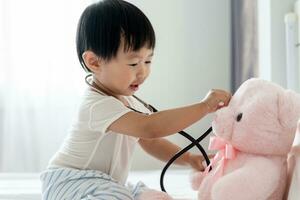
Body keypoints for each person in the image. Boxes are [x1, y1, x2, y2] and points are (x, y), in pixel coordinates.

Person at [40, 0, 231, 199]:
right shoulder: (95, 105)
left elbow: (151, 141)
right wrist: (204, 107)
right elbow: (150, 128)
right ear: (94, 62)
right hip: (71, 183)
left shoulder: (127, 102)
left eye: (148, 60)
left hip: (107, 183)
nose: (143, 71)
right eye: (133, 63)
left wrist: (189, 159)